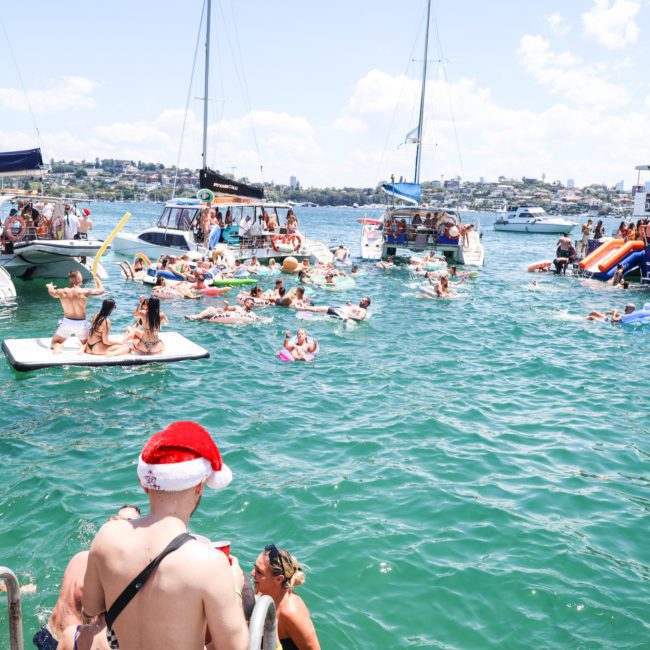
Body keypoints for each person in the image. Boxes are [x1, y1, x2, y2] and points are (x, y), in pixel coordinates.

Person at [82, 421, 248, 650]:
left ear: (145, 485)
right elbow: (235, 648)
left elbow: (91, 607)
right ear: (200, 486)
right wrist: (236, 587)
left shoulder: (107, 536)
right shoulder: (210, 563)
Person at [32, 506, 140, 650]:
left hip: (47, 633)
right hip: (68, 642)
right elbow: (96, 621)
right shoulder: (102, 575)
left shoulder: (79, 557)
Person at [251, 544, 320, 650]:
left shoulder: (291, 612)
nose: (252, 573)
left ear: (279, 579)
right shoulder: (262, 591)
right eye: (254, 567)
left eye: (259, 572)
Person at [48, 271, 105, 354]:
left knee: (55, 343)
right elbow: (101, 291)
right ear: (78, 279)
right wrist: (98, 281)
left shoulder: (62, 291)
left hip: (67, 323)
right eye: (81, 278)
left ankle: (59, 347)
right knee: (89, 344)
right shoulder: (84, 291)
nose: (82, 280)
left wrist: (50, 286)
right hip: (81, 324)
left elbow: (52, 293)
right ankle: (83, 347)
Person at [185, 298, 258, 322]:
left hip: (233, 319)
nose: (249, 304)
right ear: (245, 303)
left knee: (211, 310)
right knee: (211, 308)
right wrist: (226, 305)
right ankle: (196, 317)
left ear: (252, 305)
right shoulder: (237, 307)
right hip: (223, 315)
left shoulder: (252, 313)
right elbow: (226, 309)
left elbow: (258, 319)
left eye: (251, 304)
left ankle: (196, 317)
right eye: (248, 302)